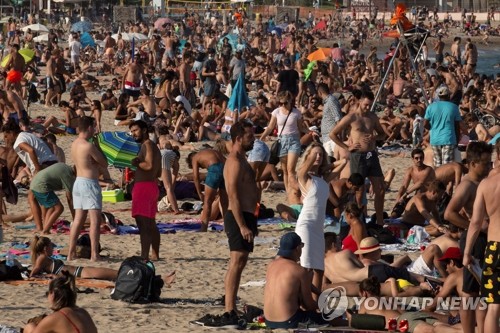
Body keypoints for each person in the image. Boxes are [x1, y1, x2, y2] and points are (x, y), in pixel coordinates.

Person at [445, 141, 493, 333]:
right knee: (469, 292)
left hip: (480, 238)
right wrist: (477, 226)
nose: (489, 166)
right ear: (473, 164)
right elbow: (449, 213)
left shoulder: (481, 183)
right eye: (485, 163)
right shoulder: (468, 185)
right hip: (474, 240)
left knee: (481, 291)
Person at [220, 120, 258, 323]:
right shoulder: (234, 161)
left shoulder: (242, 159)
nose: (253, 139)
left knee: (241, 262)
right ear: (238, 138)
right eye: (249, 136)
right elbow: (232, 196)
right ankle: (229, 308)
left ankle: (230, 303)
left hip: (247, 215)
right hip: (238, 217)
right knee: (236, 261)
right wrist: (242, 225)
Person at [330, 90, 387, 225]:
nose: (368, 107)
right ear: (359, 102)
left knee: (379, 188)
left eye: (370, 105)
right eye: (366, 104)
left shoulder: (372, 117)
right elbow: (333, 134)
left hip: (371, 154)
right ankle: (356, 220)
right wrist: (346, 147)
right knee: (358, 189)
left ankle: (380, 222)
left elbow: (382, 134)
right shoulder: (351, 117)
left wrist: (375, 137)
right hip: (358, 156)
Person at [263, 232, 328, 329]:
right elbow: (308, 305)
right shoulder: (299, 270)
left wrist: (318, 292)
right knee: (330, 318)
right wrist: (322, 307)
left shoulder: (271, 265)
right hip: (288, 322)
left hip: (268, 321)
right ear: (298, 248)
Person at [463, 164, 500, 333]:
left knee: (493, 307)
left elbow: (476, 223)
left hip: (494, 247)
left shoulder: (486, 184)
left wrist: (467, 252)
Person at [67, 117, 108, 262]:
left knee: (78, 219)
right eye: (94, 127)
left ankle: (71, 252)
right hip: (89, 183)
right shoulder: (88, 146)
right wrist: (97, 145)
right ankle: (94, 254)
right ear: (90, 127)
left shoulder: (74, 144)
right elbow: (104, 163)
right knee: (95, 220)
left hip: (78, 182)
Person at [295, 143, 331, 294]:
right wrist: (314, 151)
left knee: (319, 269)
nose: (318, 157)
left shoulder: (322, 178)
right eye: (315, 154)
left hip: (318, 228)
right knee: (307, 268)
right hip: (307, 226)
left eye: (321, 155)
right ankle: (305, 300)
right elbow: (303, 168)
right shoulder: (304, 176)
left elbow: (343, 162)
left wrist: (324, 160)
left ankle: (315, 304)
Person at [260, 90, 308, 192]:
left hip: (294, 140)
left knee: (291, 169)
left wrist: (310, 131)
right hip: (282, 141)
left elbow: (301, 127)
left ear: (290, 101)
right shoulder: (276, 112)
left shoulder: (296, 112)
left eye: (285, 103)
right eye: (280, 103)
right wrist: (262, 137)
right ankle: (288, 191)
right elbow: (270, 127)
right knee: (285, 170)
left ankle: (295, 190)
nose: (283, 105)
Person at [23, 272, 98, 333]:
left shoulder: (55, 318)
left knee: (30, 327)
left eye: (47, 293)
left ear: (53, 294)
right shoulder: (83, 312)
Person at [129, 120, 162, 260]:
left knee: (143, 225)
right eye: (132, 131)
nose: (133, 134)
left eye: (135, 130)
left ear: (143, 130)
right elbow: (158, 172)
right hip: (151, 186)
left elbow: (148, 166)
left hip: (143, 188)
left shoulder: (147, 145)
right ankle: (155, 254)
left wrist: (137, 163)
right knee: (151, 223)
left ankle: (144, 256)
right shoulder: (155, 146)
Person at [30, 236, 117, 280]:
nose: (53, 247)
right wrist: (50, 275)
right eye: (51, 245)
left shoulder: (44, 258)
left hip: (78, 271)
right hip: (77, 273)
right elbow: (33, 275)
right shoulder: (41, 258)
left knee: (110, 273)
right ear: (45, 248)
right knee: (112, 274)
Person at [187, 149, 228, 232]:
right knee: (224, 202)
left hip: (214, 169)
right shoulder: (211, 151)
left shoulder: (195, 158)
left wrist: (199, 193)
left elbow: (196, 177)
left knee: (207, 202)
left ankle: (203, 228)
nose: (201, 167)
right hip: (225, 168)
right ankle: (227, 227)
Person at [30, 163, 75, 234]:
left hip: (35, 184)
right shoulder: (68, 175)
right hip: (41, 186)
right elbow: (69, 198)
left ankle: (46, 227)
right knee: (59, 208)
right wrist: (75, 219)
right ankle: (45, 230)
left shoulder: (65, 167)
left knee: (51, 208)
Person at [424, 86, 462, 168]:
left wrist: (432, 128)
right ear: (448, 95)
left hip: (435, 138)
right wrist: (457, 139)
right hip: (449, 138)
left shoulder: (430, 107)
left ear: (438, 96)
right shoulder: (454, 107)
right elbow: (457, 126)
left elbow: (425, 124)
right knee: (447, 165)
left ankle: (438, 179)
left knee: (437, 164)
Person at [318, 83, 343, 159]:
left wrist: (339, 137)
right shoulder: (327, 102)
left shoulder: (331, 100)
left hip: (332, 138)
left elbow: (338, 118)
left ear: (319, 93)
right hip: (327, 138)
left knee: (334, 161)